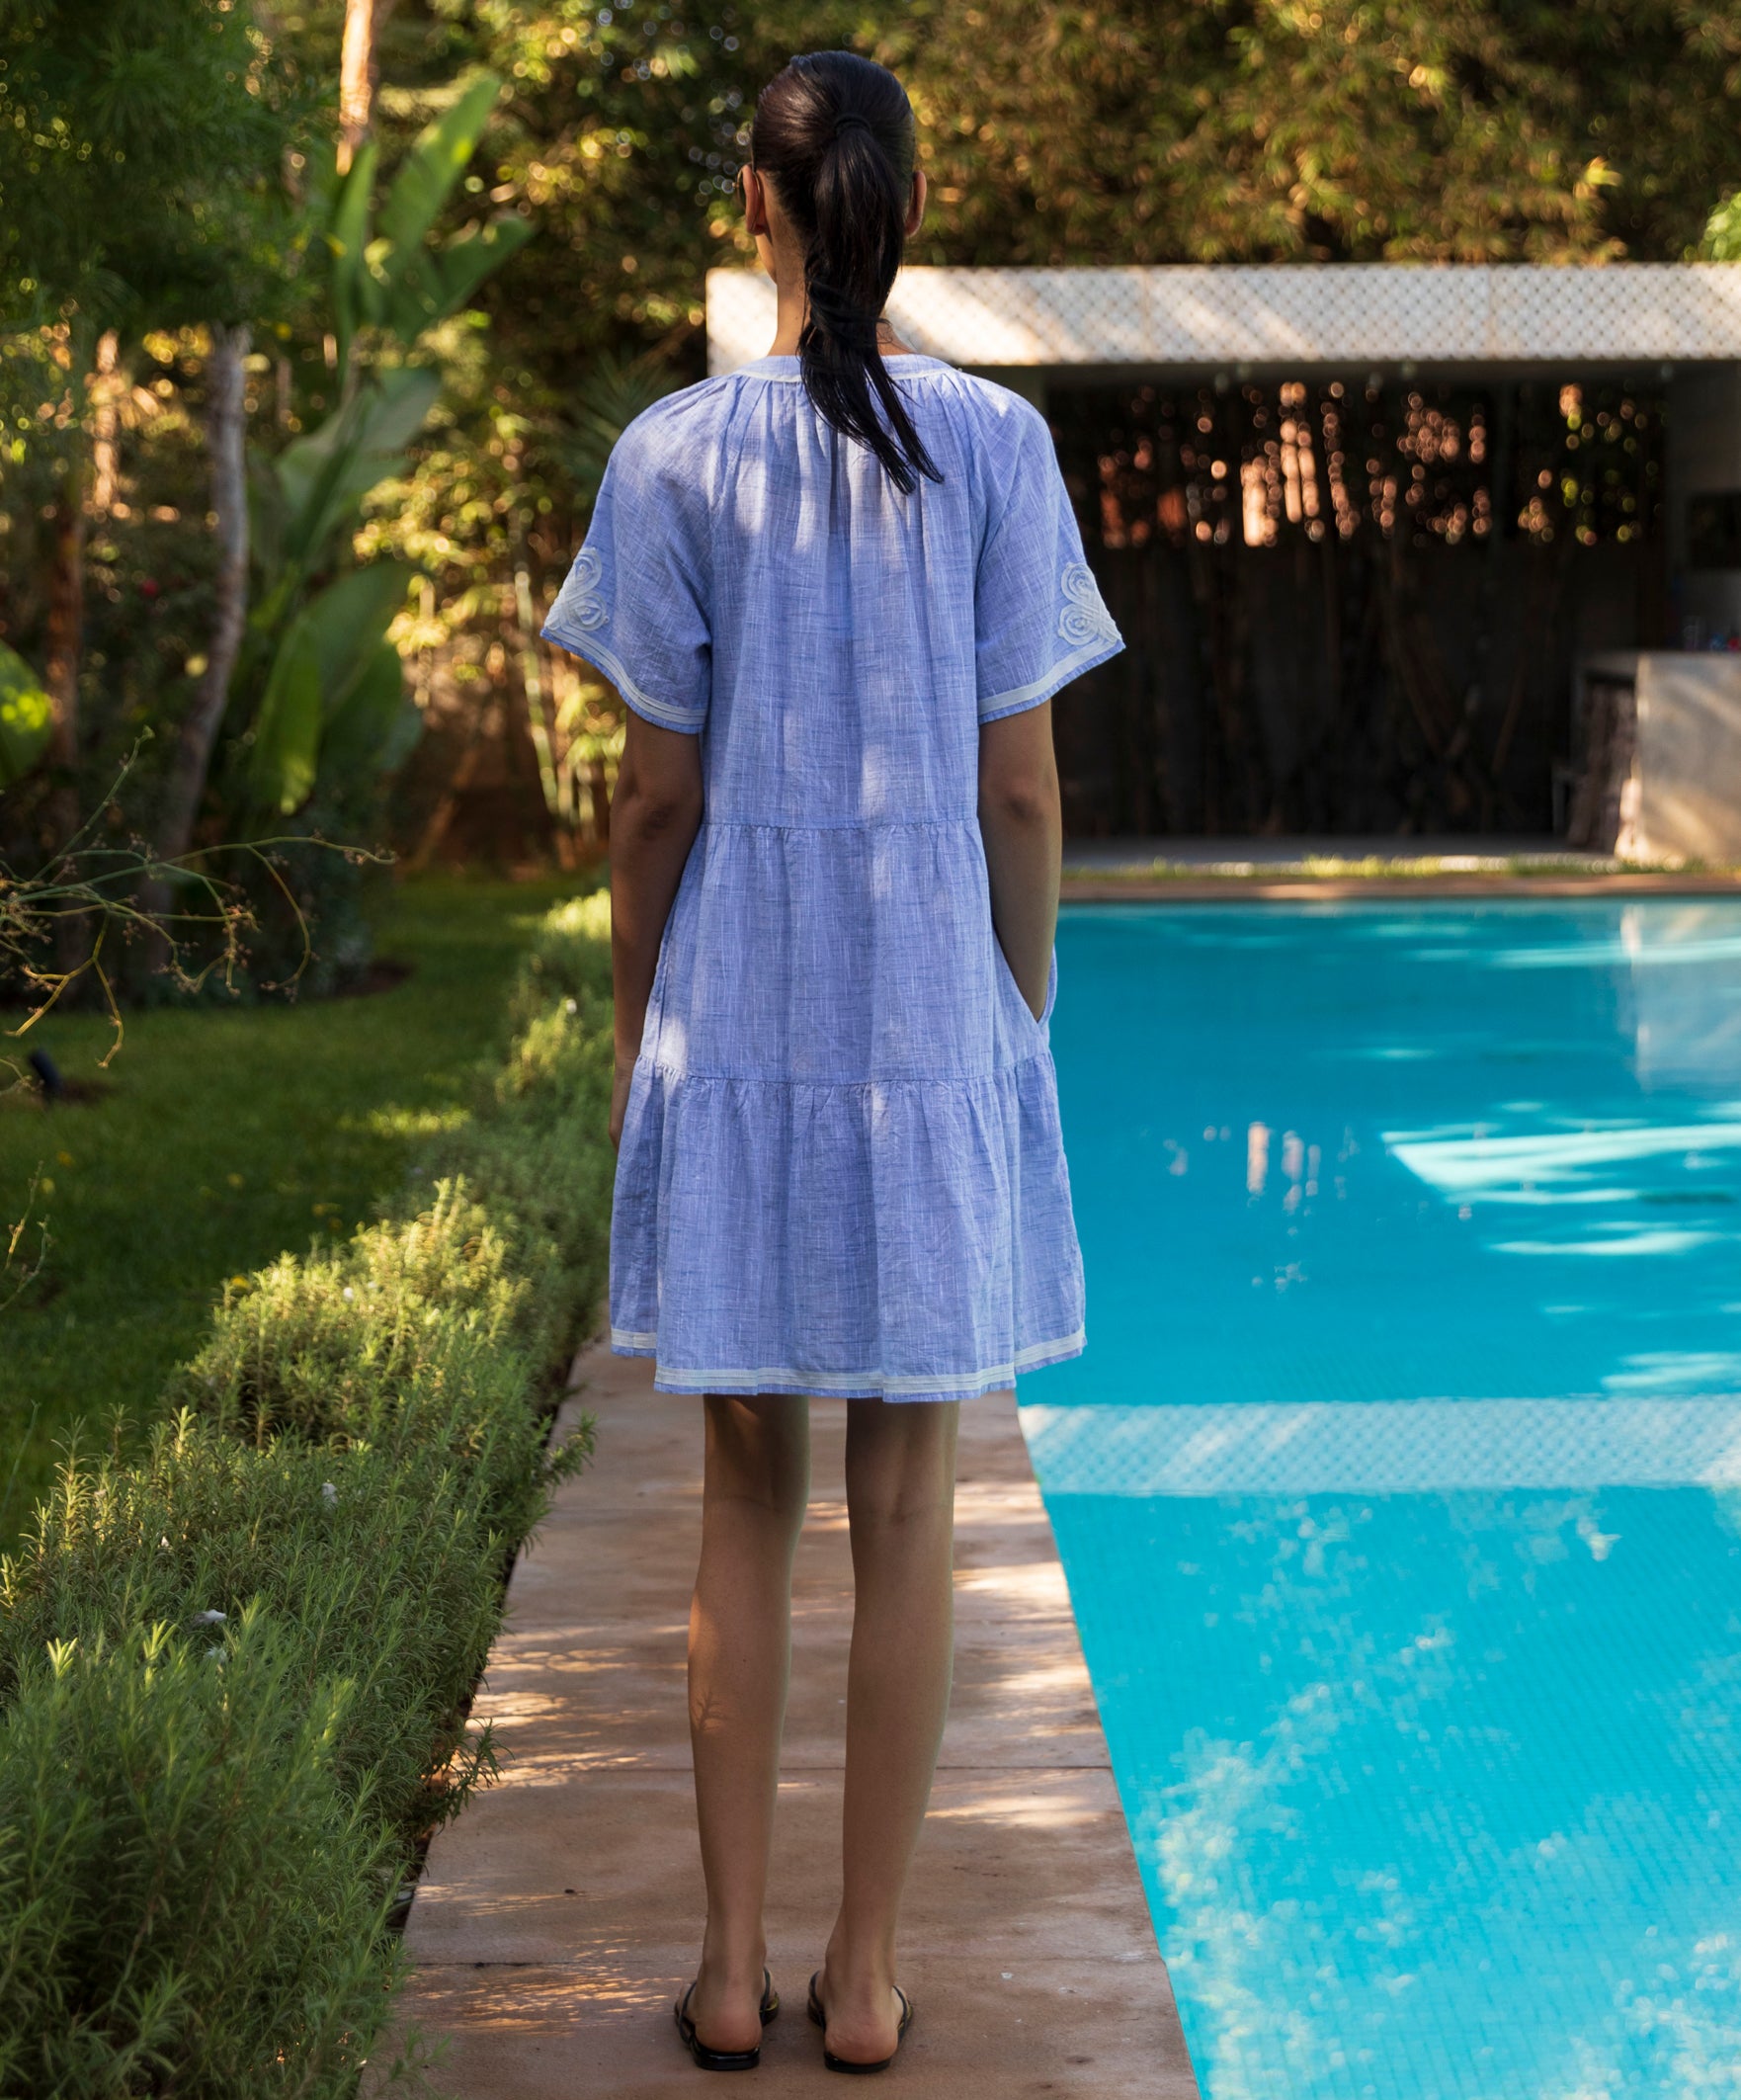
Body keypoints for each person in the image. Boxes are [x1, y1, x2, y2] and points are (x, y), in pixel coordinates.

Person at [542, 47, 1122, 2076]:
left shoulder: (673, 455)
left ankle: (721, 1966)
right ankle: (863, 1980)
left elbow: (648, 810)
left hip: (744, 1017)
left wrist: (643, 1040)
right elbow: (1026, 796)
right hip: (917, 1023)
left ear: (751, 201)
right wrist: (1011, 1020)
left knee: (739, 1493)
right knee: (907, 1501)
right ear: (904, 201)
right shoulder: (994, 449)